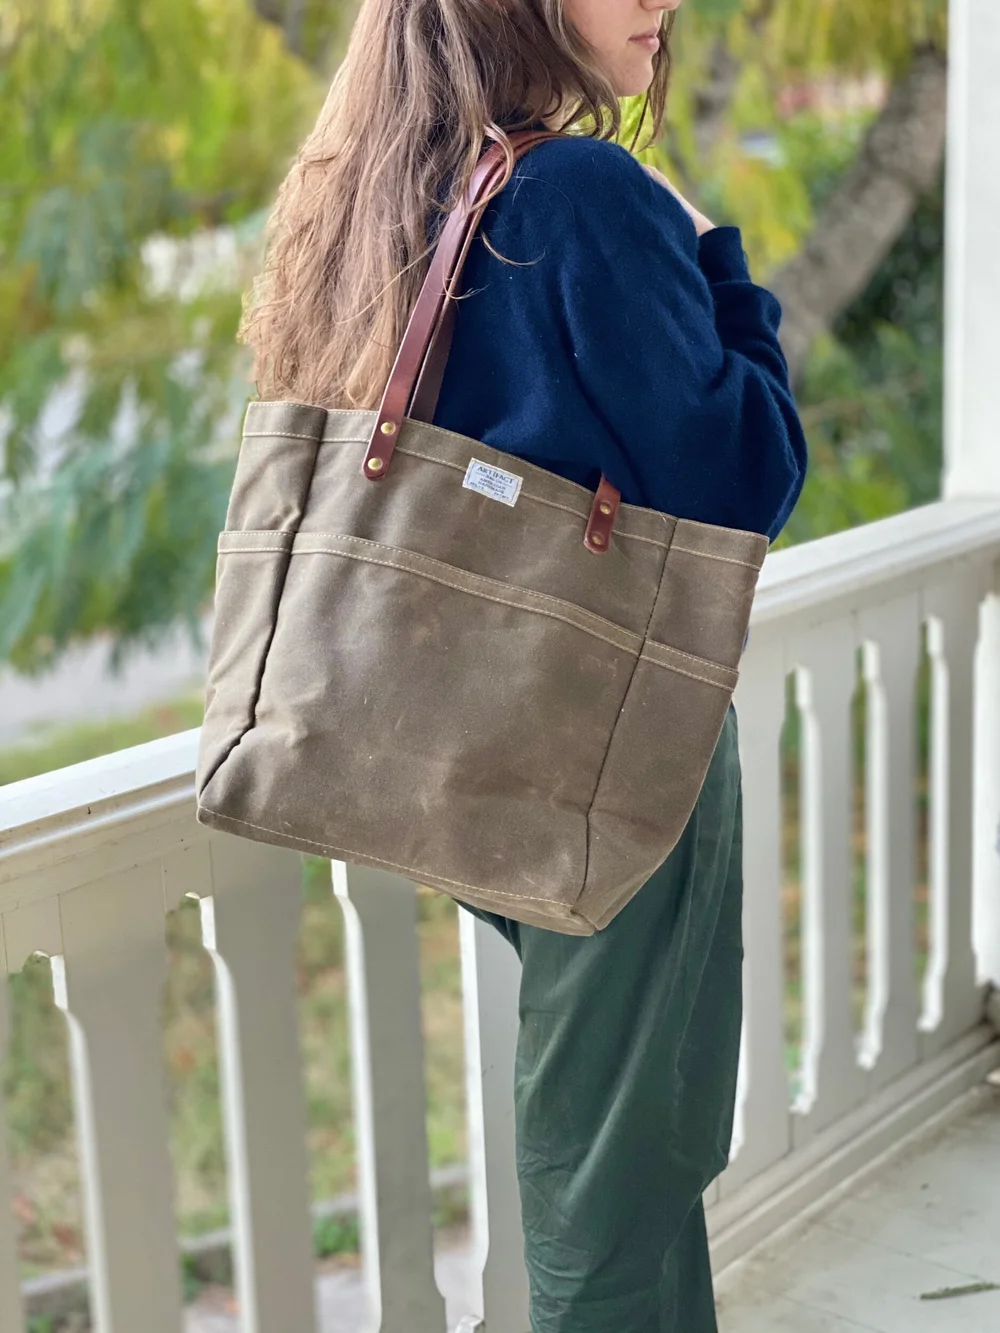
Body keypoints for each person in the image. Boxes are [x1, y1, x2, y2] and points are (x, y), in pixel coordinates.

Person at [242, 0, 807, 1325]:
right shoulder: (580, 192)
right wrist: (714, 252)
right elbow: (744, 478)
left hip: (452, 731)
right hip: (610, 745)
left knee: (620, 1147)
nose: (663, 2)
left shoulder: (385, 191)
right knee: (614, 1173)